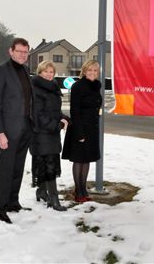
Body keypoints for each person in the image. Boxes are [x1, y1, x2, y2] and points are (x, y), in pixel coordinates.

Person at [0, 38, 34, 224]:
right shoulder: (0, 71)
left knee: (18, 168)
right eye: (19, 51)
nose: (22, 55)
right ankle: (0, 208)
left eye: (25, 52)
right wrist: (0, 132)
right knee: (6, 170)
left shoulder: (25, 70)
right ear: (11, 51)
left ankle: (12, 202)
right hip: (8, 131)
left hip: (25, 129)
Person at [30, 61, 69, 211]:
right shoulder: (36, 89)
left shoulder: (53, 88)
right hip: (41, 133)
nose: (49, 74)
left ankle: (41, 191)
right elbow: (38, 115)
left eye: (51, 72)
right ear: (40, 72)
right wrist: (57, 125)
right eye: (46, 71)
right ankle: (53, 199)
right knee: (50, 165)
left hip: (50, 133)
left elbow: (54, 111)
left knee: (45, 165)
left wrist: (65, 118)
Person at [62, 60, 102, 203]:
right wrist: (79, 133)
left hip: (91, 128)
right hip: (80, 128)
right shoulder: (78, 86)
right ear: (84, 71)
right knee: (79, 160)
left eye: (95, 70)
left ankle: (83, 188)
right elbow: (75, 111)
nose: (92, 73)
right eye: (90, 70)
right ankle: (78, 191)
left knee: (87, 159)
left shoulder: (96, 86)